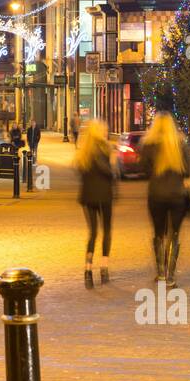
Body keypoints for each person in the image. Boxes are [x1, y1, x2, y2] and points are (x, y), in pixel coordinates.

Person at [140, 112, 190, 287]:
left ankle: (161, 273)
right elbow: (188, 172)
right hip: (177, 195)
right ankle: (171, 276)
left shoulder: (149, 145)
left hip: (156, 194)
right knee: (174, 234)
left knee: (158, 234)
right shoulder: (180, 144)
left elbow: (145, 170)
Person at [75, 119, 118, 288]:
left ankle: (87, 269)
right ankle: (104, 267)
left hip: (87, 196)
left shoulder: (83, 152)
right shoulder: (104, 149)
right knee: (106, 230)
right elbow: (109, 172)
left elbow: (80, 173)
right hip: (104, 196)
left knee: (92, 232)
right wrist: (113, 162)